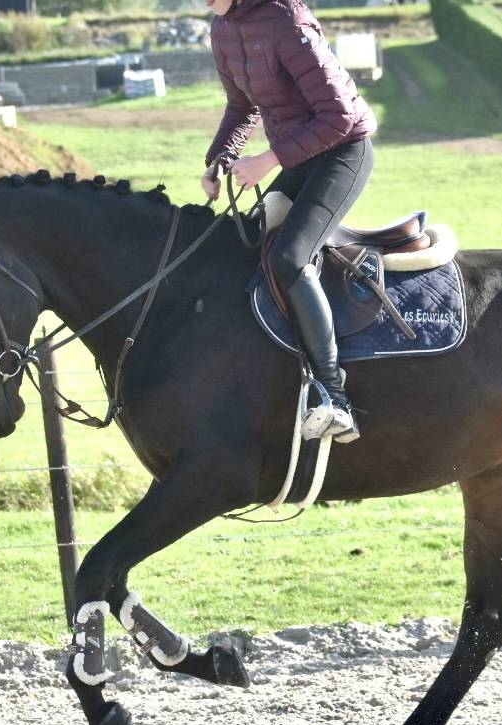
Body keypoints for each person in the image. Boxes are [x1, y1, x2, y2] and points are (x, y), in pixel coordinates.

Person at [202, 0, 377, 443]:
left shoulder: (287, 20)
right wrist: (220, 158)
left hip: (344, 152)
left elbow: (339, 116)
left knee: (290, 257)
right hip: (299, 157)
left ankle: (336, 400)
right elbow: (241, 108)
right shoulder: (223, 29)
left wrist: (268, 160)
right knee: (243, 251)